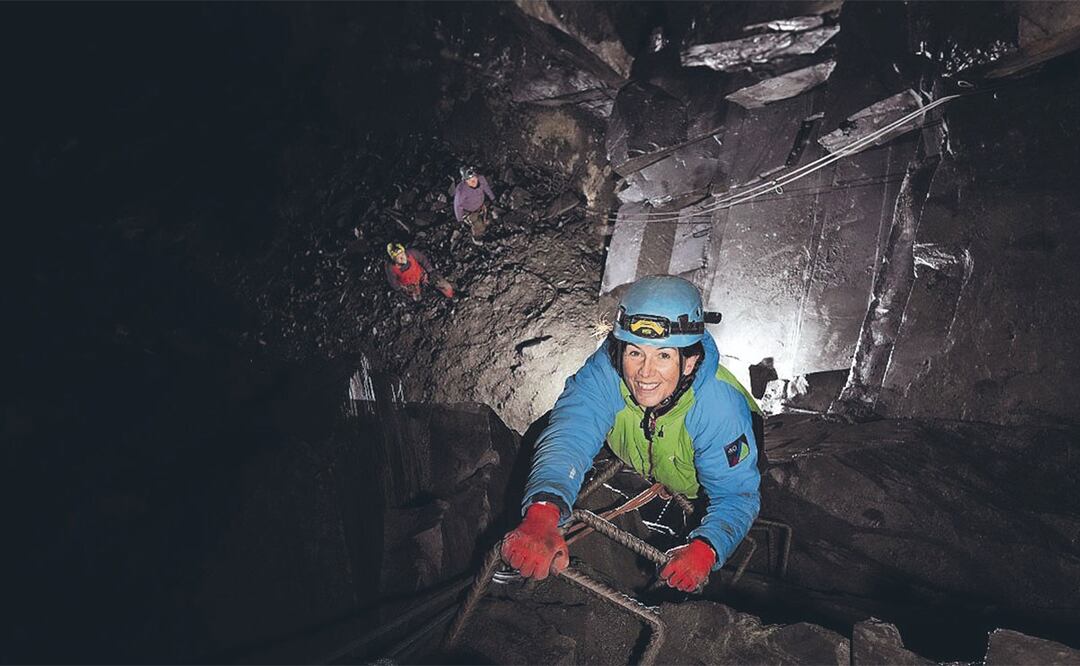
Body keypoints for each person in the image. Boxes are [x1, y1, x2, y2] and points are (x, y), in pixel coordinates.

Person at [501, 275, 761, 593]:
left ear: (690, 362)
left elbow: (735, 495)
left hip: (705, 476)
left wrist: (707, 548)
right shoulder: (606, 369)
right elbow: (572, 431)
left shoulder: (719, 410)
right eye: (635, 353)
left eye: (663, 356)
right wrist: (543, 510)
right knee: (548, 426)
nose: (645, 372)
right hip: (642, 454)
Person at [384, 242, 455, 301]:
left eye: (402, 254)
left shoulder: (412, 253)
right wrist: (401, 291)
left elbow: (423, 260)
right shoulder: (390, 268)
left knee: (442, 284)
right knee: (417, 299)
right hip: (410, 286)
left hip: (421, 275)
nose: (402, 258)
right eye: (398, 257)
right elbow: (393, 282)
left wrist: (431, 272)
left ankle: (453, 295)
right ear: (394, 259)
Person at [453, 165, 496, 242]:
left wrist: (493, 198)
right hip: (469, 212)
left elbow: (486, 188)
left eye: (474, 178)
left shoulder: (481, 179)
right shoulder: (461, 191)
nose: (473, 182)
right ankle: (477, 239)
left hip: (481, 206)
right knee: (479, 226)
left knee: (489, 219)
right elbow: (457, 206)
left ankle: (486, 229)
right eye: (469, 180)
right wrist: (460, 220)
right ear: (465, 180)